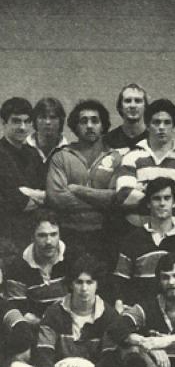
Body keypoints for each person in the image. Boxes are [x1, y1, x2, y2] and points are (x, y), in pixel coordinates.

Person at [7, 255, 124, 367]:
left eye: (90, 282)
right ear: (70, 284)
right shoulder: (54, 312)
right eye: (79, 282)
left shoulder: (109, 315)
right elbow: (43, 353)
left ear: (97, 284)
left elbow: (108, 360)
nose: (84, 288)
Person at [46, 99, 122, 264]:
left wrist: (78, 190)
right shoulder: (61, 156)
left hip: (105, 236)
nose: (89, 125)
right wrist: (100, 199)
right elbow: (57, 198)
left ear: (103, 125)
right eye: (83, 121)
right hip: (69, 234)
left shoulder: (115, 157)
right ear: (75, 126)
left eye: (95, 120)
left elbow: (116, 199)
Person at [112, 177, 175, 306]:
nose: (162, 203)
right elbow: (120, 282)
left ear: (174, 202)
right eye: (156, 198)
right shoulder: (132, 239)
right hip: (141, 313)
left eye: (167, 198)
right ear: (148, 203)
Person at [115, 98, 175, 229]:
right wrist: (171, 191)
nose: (161, 127)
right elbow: (124, 196)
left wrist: (142, 187)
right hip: (136, 231)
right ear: (148, 125)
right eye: (156, 122)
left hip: (173, 232)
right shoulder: (131, 157)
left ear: (174, 125)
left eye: (167, 123)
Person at [0, 97, 46, 262]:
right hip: (5, 236)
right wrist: (32, 196)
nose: (22, 127)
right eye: (16, 121)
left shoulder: (33, 154)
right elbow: (12, 203)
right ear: (4, 123)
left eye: (27, 122)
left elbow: (47, 194)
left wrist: (27, 193)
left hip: (32, 234)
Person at [4, 210, 69, 318]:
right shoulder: (18, 267)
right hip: (35, 326)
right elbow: (18, 310)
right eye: (42, 235)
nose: (49, 241)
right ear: (32, 237)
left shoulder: (72, 258)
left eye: (53, 234)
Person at [103, 83, 149, 152]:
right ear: (120, 107)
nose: (133, 105)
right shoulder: (108, 141)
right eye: (128, 101)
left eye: (137, 101)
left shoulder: (154, 139)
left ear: (145, 107)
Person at [27, 97, 69, 168]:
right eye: (42, 117)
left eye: (53, 117)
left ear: (60, 121)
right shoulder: (22, 149)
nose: (47, 122)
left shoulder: (69, 152)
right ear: (35, 121)